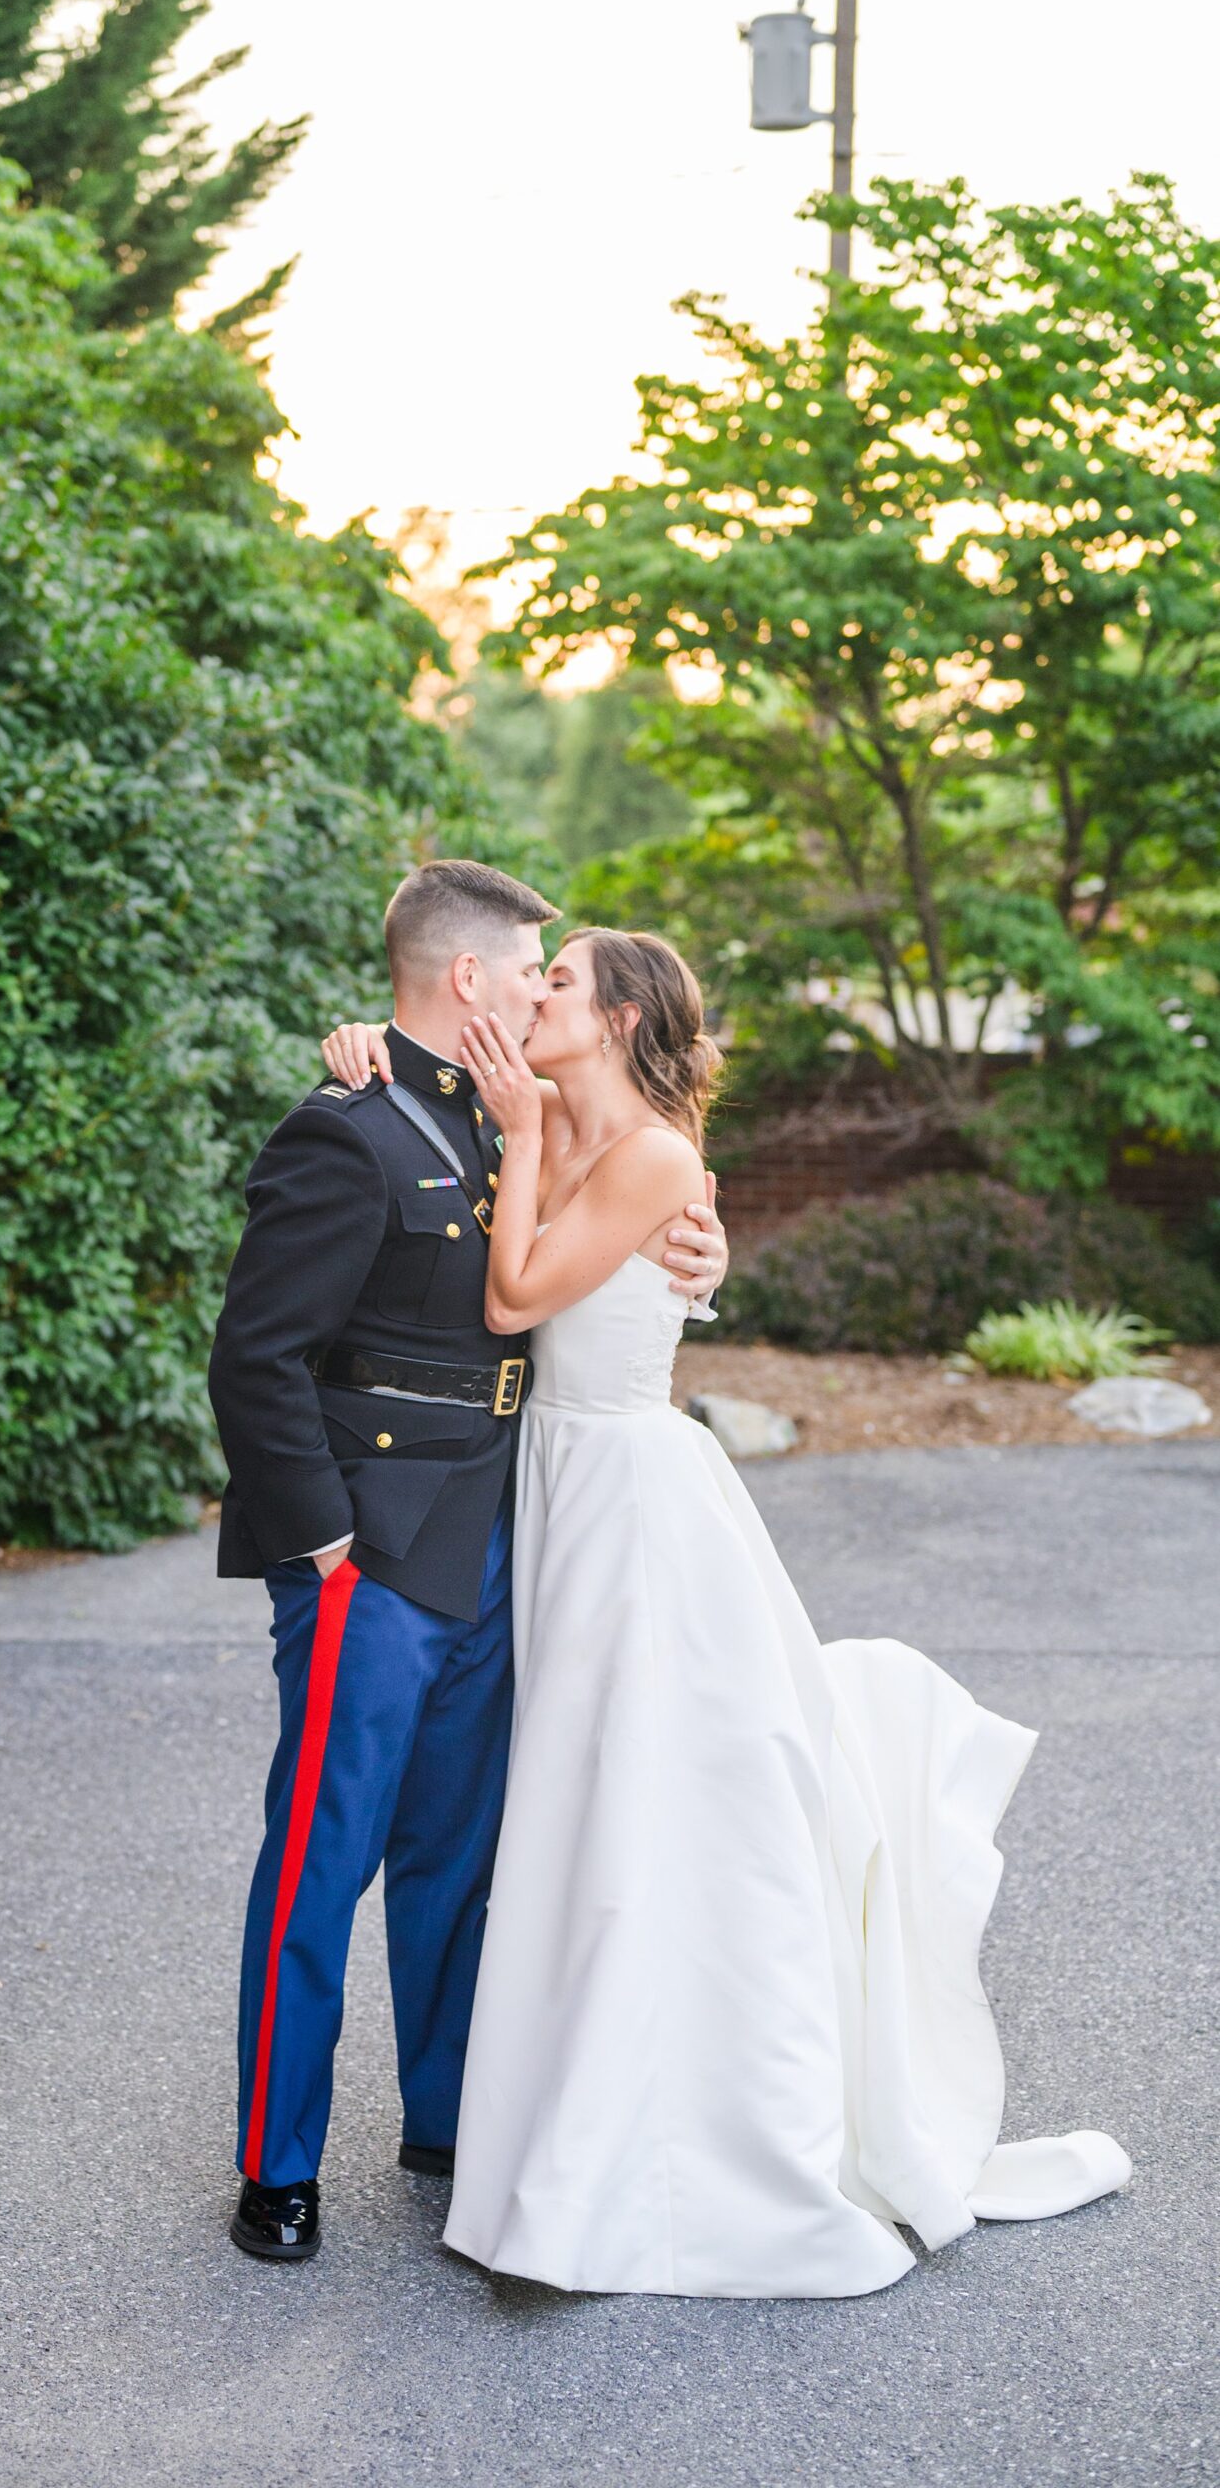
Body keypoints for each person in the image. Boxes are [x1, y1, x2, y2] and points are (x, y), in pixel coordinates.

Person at [325, 926, 1131, 2297]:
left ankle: (655, 2144)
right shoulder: (546, 1107)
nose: (536, 994)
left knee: (637, 1795)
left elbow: (517, 1290)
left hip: (634, 1504)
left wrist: (531, 1138)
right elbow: (413, 1053)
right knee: (565, 1802)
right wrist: (357, 1052)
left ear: (626, 1013)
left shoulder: (641, 1154)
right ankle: (555, 2112)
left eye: (563, 979)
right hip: (555, 1490)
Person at [207, 862, 729, 2263]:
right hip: (368, 1554)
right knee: (326, 1854)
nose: (540, 987)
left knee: (458, 1857)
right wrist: (319, 1546)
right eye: (528, 968)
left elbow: (628, 1211)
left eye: (559, 976)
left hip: (504, 1533)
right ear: (466, 983)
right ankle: (279, 2162)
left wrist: (705, 1250)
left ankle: (444, 2122)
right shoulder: (348, 1129)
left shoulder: (519, 1118)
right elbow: (255, 1359)